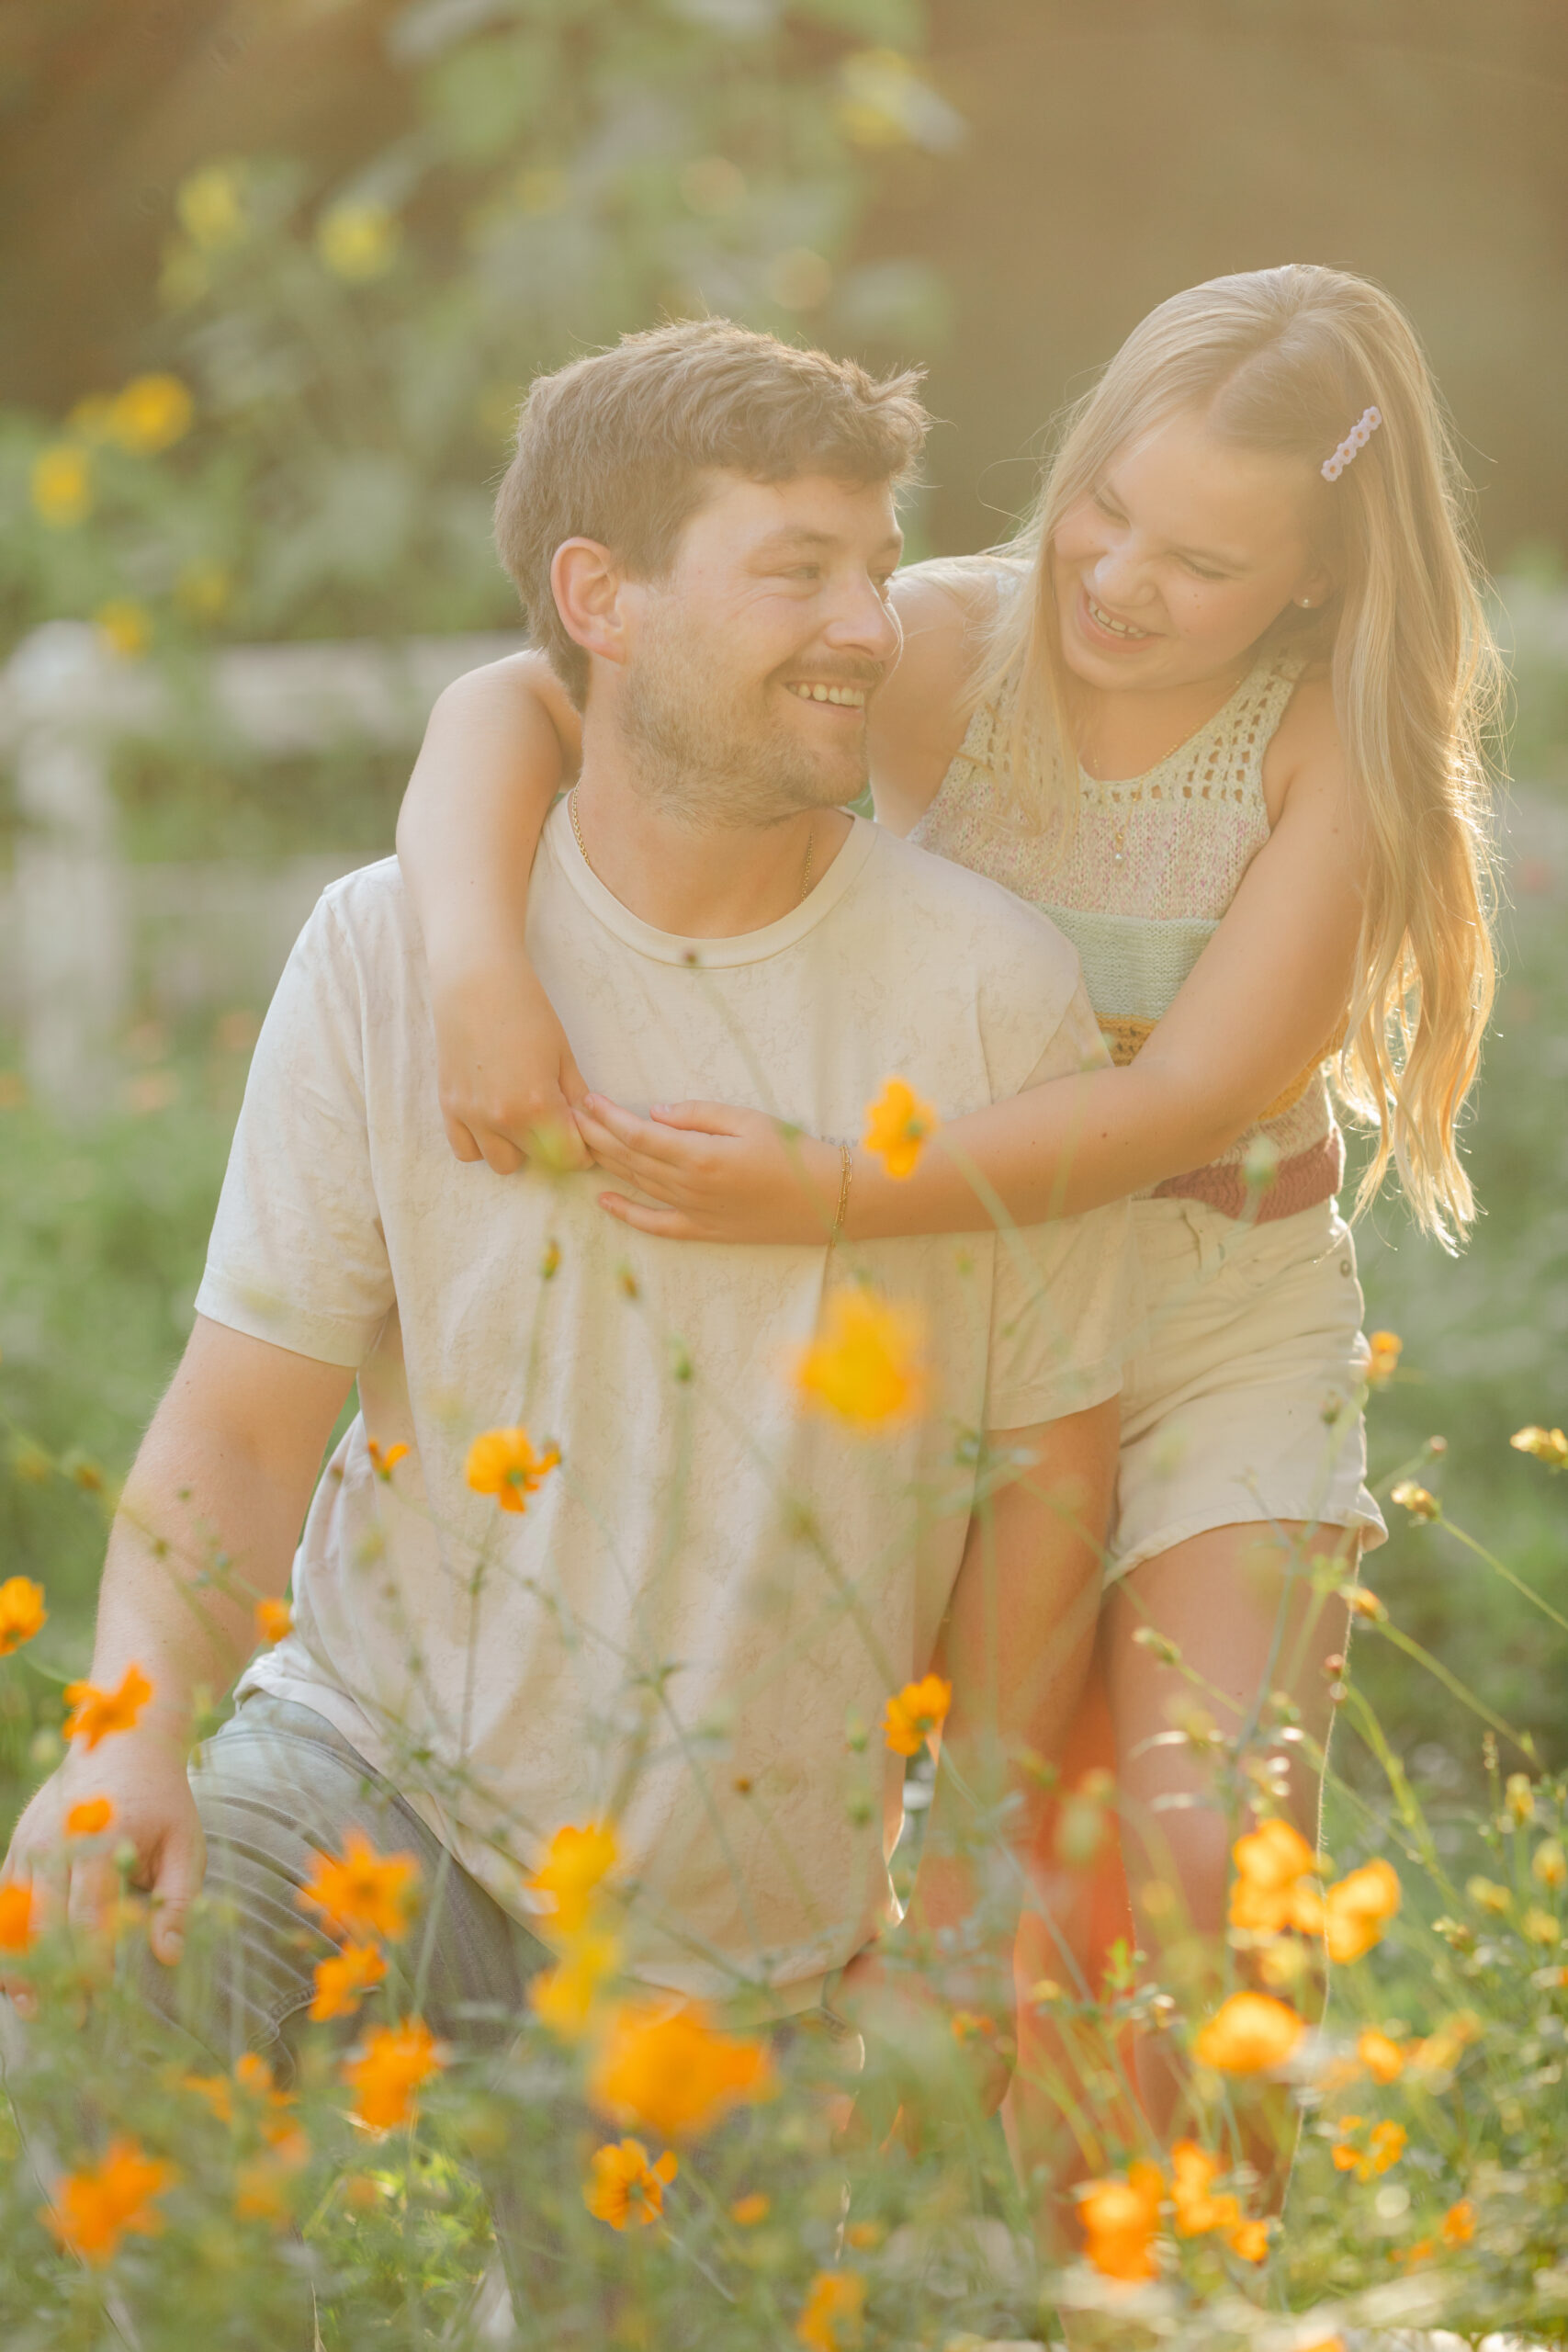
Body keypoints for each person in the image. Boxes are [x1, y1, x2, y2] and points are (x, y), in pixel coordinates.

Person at [1, 321, 1134, 2303]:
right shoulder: (394, 945)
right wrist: (129, 1722)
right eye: (793, 567)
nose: (865, 621)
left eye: (875, 564)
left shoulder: (987, 990)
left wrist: (947, 1911)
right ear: (598, 598)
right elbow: (246, 1420)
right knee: (103, 1944)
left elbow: (1039, 1472)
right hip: (386, 1768)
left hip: (740, 1915)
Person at [391, 266, 1499, 2165]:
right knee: (936, 1821)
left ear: (1312, 583)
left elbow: (1174, 1097)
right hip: (959, 1293)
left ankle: (1209, 2250)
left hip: (1207, 1309)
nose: (1121, 579)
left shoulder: (1334, 749)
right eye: (1106, 507)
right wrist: (472, 962)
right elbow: (522, 693)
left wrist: (811, 1189)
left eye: (1203, 565)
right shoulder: (937, 644)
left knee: (1192, 1836)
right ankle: (912, 2226)